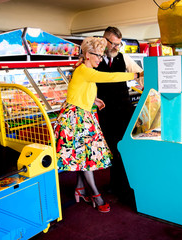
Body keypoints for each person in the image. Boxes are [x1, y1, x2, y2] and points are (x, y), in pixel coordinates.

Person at [53, 36, 142, 213]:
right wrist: (137, 74)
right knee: (87, 157)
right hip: (76, 118)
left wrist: (93, 100)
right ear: (87, 54)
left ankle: (80, 187)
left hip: (82, 114)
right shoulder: (85, 71)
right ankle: (96, 194)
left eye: (101, 56)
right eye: (97, 55)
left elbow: (78, 89)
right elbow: (109, 77)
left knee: (82, 154)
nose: (100, 59)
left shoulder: (83, 70)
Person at [95, 26, 143, 204]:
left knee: (124, 147)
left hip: (123, 110)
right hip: (105, 111)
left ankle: (125, 185)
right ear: (104, 41)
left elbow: (140, 74)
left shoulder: (124, 57)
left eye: (118, 44)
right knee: (112, 150)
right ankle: (114, 184)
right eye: (113, 43)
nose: (116, 47)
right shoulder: (95, 58)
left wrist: (148, 88)